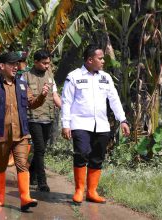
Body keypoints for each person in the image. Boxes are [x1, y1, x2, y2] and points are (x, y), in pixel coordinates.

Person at [61, 44, 130, 205]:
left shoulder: (106, 77)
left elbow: (114, 100)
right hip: (80, 123)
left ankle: (92, 191)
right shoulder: (74, 76)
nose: (103, 61)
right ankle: (79, 190)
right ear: (90, 60)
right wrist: (66, 124)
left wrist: (123, 120)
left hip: (102, 125)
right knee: (82, 153)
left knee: (97, 157)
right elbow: (66, 102)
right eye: (100, 58)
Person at [0, 52, 51, 211]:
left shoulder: (22, 85)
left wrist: (42, 96)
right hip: (1, 134)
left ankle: (25, 198)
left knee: (22, 165)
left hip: (21, 134)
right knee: (0, 165)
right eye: (12, 64)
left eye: (17, 64)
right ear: (2, 66)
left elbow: (32, 103)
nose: (16, 67)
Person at [21, 49, 62, 192]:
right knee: (40, 149)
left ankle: (32, 173)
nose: (47, 66)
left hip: (48, 117)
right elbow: (25, 98)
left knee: (41, 149)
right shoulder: (25, 76)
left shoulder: (50, 75)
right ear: (36, 62)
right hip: (33, 118)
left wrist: (65, 108)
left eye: (48, 63)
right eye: (44, 63)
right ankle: (42, 182)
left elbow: (55, 95)